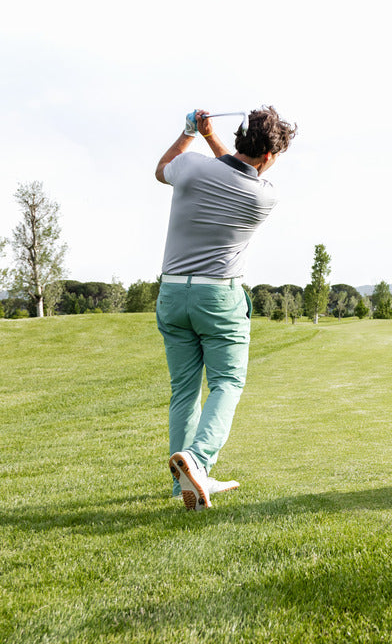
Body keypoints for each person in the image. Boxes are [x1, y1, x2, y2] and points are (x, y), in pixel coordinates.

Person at [155, 106, 297, 510]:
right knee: (227, 384)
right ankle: (197, 463)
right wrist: (210, 138)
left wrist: (190, 133)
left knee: (184, 390)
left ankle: (180, 482)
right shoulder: (264, 196)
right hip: (218, 298)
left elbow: (163, 167)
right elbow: (236, 172)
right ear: (269, 157)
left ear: (238, 138)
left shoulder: (191, 166)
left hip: (171, 293)